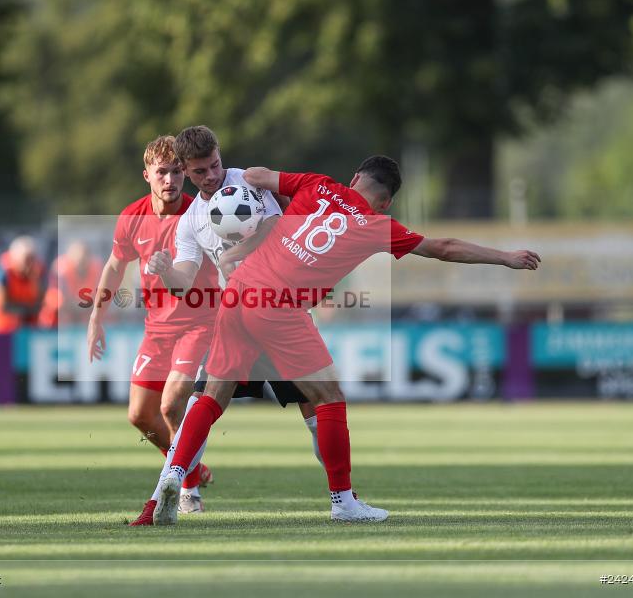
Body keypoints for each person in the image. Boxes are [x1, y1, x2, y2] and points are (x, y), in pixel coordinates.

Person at [151, 155, 541, 525]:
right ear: (386, 201)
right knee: (329, 398)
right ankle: (344, 502)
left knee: (211, 397)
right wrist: (505, 257)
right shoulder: (376, 225)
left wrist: (226, 180)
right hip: (279, 304)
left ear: (355, 178)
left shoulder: (316, 183)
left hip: (238, 292)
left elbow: (257, 176)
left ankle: (174, 476)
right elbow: (444, 248)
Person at [129, 126, 327, 526]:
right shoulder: (190, 221)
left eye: (215, 165)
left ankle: (343, 493)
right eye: (201, 172)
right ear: (186, 170)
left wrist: (236, 251)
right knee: (202, 407)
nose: (212, 176)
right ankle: (165, 496)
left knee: (317, 406)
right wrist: (167, 272)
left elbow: (278, 227)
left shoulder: (250, 181)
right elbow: (185, 280)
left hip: (279, 306)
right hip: (240, 315)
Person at [87, 136, 220, 520]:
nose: (171, 180)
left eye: (177, 172)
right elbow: (115, 265)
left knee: (172, 403)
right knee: (140, 416)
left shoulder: (200, 214)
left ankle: (188, 489)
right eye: (162, 172)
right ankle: (191, 466)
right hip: (157, 329)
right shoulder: (133, 217)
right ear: (146, 175)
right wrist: (97, 316)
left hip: (199, 322)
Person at [0, 236, 45, 335]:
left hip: (29, 328)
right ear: (15, 258)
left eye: (32, 259)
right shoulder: (2, 270)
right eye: (26, 260)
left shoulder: (37, 271)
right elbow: (2, 305)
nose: (30, 265)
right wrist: (28, 309)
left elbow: (41, 300)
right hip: (2, 329)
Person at [38, 240, 102, 328]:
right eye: (78, 260)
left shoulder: (96, 269)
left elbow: (100, 298)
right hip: (65, 308)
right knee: (54, 305)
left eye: (84, 260)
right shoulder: (61, 269)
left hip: (86, 308)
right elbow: (60, 299)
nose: (80, 264)